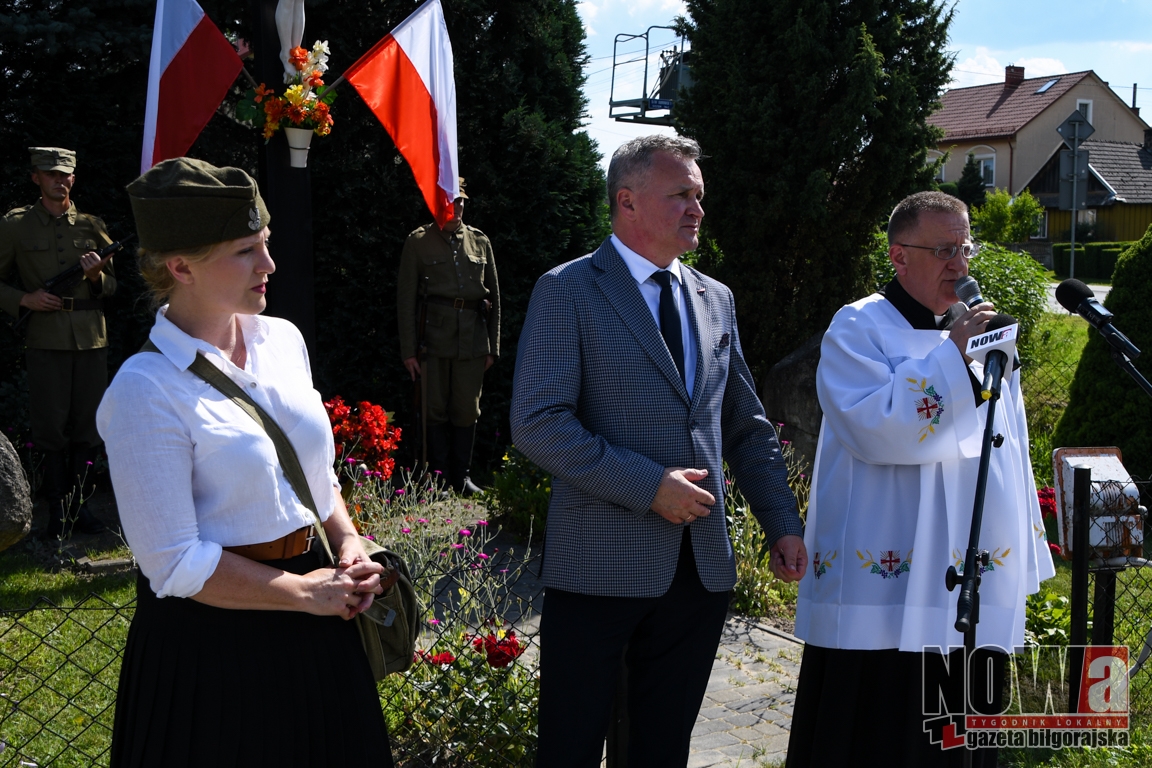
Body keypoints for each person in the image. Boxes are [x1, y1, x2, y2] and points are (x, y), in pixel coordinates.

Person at [511, 135, 807, 767]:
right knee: (570, 748)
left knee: (661, 750)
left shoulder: (715, 298)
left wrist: (782, 522)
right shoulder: (567, 291)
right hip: (597, 569)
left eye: (699, 195)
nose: (697, 208)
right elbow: (538, 423)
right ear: (627, 201)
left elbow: (744, 424)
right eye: (680, 195)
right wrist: (651, 487)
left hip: (698, 573)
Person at [98, 158, 393, 767]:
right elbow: (175, 562)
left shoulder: (281, 339)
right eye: (244, 251)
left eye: (266, 244)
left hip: (318, 614)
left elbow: (314, 475)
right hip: (215, 648)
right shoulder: (144, 390)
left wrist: (347, 539)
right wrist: (302, 593)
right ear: (181, 267)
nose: (269, 265)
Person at [788, 191, 1056, 766]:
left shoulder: (987, 335)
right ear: (899, 257)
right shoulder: (859, 326)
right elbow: (875, 429)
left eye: (965, 248)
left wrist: (1022, 545)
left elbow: (1008, 445)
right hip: (884, 580)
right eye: (943, 250)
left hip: (967, 570)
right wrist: (952, 356)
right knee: (879, 728)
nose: (960, 265)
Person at [0, 146, 116, 538]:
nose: (59, 179)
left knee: (89, 426)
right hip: (45, 337)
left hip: (90, 338)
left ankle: (80, 510)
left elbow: (112, 287)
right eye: (50, 173)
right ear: (36, 177)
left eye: (65, 174)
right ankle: (55, 513)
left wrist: (98, 276)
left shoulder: (91, 225)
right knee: (50, 428)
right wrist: (23, 300)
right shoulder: (16, 226)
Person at [396, 177, 499, 495]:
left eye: (460, 202)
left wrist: (492, 347)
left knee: (467, 408)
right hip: (434, 341)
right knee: (435, 409)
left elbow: (494, 295)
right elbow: (406, 299)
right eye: (448, 203)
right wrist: (409, 351)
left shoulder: (480, 241)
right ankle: (438, 479)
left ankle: (462, 477)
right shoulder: (418, 241)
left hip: (472, 340)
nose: (455, 209)